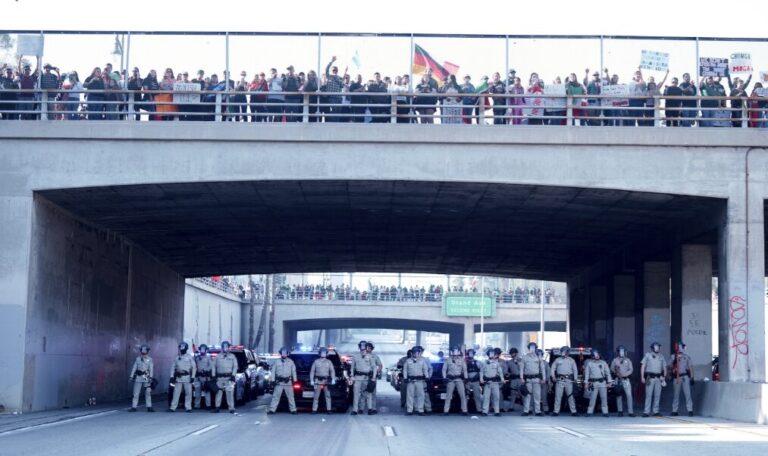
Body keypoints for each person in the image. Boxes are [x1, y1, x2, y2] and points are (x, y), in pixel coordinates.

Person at [268, 346, 298, 414]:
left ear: (287, 353)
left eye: (285, 353)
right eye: (283, 353)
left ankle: (293, 410)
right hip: (279, 382)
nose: (284, 354)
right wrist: (272, 380)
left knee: (290, 396)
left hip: (288, 382)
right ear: (281, 353)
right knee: (276, 396)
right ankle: (272, 410)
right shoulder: (276, 362)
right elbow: (273, 371)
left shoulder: (291, 362)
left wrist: (295, 380)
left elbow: (293, 371)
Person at [349, 340, 376, 415]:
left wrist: (373, 377)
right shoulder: (355, 356)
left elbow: (374, 367)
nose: (363, 347)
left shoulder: (370, 356)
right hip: (357, 378)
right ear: (359, 346)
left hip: (367, 378)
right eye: (362, 345)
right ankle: (355, 410)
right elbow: (352, 367)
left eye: (364, 346)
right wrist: (351, 376)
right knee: (356, 394)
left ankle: (370, 409)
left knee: (368, 394)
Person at [640, 341, 667, 417]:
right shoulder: (648, 355)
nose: (658, 348)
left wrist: (664, 377)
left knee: (657, 395)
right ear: (652, 347)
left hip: (658, 378)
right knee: (648, 394)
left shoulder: (661, 356)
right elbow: (643, 366)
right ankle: (646, 411)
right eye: (656, 346)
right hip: (649, 377)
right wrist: (642, 377)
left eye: (658, 346)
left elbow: (664, 367)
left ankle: (656, 411)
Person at [550, 346, 578, 416]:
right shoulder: (557, 360)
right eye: (563, 351)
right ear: (561, 352)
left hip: (569, 380)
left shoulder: (571, 360)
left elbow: (575, 370)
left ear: (568, 352)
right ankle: (556, 411)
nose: (565, 352)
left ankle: (573, 411)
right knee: (558, 396)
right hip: (560, 380)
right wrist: (553, 376)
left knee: (570, 396)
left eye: (566, 351)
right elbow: (552, 368)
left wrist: (575, 379)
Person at [169, 341, 196, 412]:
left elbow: (194, 367)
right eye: (180, 347)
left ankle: (188, 408)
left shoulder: (189, 357)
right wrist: (171, 377)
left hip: (187, 378)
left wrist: (193, 377)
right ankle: (173, 407)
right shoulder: (177, 357)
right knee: (176, 393)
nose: (181, 349)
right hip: (179, 378)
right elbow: (173, 368)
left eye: (183, 347)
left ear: (186, 348)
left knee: (188, 393)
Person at [584, 349, 612, 417]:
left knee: (604, 397)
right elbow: (587, 374)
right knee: (592, 398)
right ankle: (589, 412)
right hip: (593, 382)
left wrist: (609, 382)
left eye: (598, 355)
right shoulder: (590, 363)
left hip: (602, 382)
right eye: (595, 355)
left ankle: (605, 412)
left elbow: (607, 373)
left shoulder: (603, 363)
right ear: (592, 356)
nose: (597, 356)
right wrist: (586, 383)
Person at [403, 345, 430, 416]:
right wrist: (405, 378)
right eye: (414, 352)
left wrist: (427, 376)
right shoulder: (408, 361)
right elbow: (405, 370)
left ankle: (420, 410)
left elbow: (425, 369)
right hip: (410, 381)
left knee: (421, 396)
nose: (415, 354)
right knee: (410, 396)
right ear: (412, 353)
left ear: (419, 353)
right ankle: (409, 410)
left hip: (419, 381)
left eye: (417, 352)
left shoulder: (422, 361)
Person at [669, 342, 694, 417]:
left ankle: (690, 410)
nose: (684, 348)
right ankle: (674, 410)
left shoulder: (687, 357)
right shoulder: (673, 356)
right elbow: (669, 367)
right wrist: (671, 373)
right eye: (683, 347)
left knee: (688, 394)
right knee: (676, 395)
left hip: (685, 377)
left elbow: (691, 367)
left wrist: (692, 377)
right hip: (676, 378)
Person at [520, 342, 545, 416]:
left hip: (536, 379)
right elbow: (522, 368)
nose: (532, 349)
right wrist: (521, 378)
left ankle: (538, 411)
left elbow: (542, 368)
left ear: (535, 348)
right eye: (531, 347)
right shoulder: (525, 357)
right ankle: (526, 411)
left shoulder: (538, 357)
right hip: (528, 379)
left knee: (537, 396)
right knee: (527, 396)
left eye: (534, 347)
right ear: (528, 349)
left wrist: (543, 378)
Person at [442, 347, 468, 415]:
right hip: (451, 379)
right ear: (451, 352)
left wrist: (466, 378)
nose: (455, 353)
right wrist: (444, 377)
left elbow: (465, 370)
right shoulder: (448, 360)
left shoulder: (462, 360)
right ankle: (446, 410)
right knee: (448, 395)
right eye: (454, 351)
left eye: (456, 351)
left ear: (459, 352)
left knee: (462, 395)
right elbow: (444, 369)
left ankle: (464, 410)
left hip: (459, 379)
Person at [310, 347, 336, 414]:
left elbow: (332, 371)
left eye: (324, 353)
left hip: (326, 381)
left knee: (327, 396)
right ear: (320, 354)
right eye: (322, 353)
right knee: (316, 396)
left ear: (326, 354)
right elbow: (312, 371)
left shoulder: (329, 362)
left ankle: (329, 409)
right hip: (317, 380)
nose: (323, 354)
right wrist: (311, 380)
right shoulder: (316, 361)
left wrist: (333, 379)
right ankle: (314, 409)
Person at [128, 344, 154, 412]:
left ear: (147, 351)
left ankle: (149, 406)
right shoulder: (138, 359)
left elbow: (151, 369)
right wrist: (131, 376)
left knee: (148, 392)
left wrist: (151, 377)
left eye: (145, 351)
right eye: (143, 350)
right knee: (136, 393)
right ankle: (134, 407)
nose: (144, 352)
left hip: (146, 376)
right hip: (138, 377)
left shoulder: (150, 359)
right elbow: (134, 367)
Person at [610, 345, 634, 417]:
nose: (622, 353)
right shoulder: (615, 360)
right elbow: (611, 369)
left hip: (626, 380)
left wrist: (624, 375)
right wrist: (616, 373)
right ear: (618, 352)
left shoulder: (628, 360)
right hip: (618, 380)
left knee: (629, 395)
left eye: (623, 351)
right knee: (619, 395)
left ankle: (631, 412)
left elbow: (631, 369)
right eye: (621, 351)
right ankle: (620, 411)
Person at [480, 348, 504, 416]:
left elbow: (500, 372)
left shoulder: (497, 363)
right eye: (490, 354)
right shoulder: (484, 363)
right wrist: (481, 379)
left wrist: (502, 379)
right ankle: (485, 411)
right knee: (486, 397)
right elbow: (481, 371)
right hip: (487, 382)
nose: (492, 355)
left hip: (495, 382)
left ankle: (497, 411)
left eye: (493, 354)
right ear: (488, 355)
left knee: (496, 397)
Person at [193, 344, 214, 410]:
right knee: (197, 392)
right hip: (198, 377)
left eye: (203, 349)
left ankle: (208, 405)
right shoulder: (197, 357)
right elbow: (194, 365)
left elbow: (211, 366)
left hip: (206, 377)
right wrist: (195, 356)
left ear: (206, 350)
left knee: (207, 392)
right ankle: (197, 405)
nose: (202, 350)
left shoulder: (208, 357)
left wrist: (205, 370)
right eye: (201, 349)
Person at [366, 342, 383, 413]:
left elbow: (380, 365)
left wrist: (376, 373)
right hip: (363, 376)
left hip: (372, 377)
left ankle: (374, 408)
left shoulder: (375, 357)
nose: (368, 349)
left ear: (372, 349)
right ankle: (368, 408)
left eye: (369, 347)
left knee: (373, 393)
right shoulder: (362, 355)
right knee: (365, 394)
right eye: (367, 347)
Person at [505, 347, 522, 412]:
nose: (512, 354)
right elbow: (507, 371)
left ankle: (527, 408)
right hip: (514, 379)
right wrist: (508, 374)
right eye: (511, 353)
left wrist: (517, 362)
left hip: (520, 379)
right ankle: (511, 407)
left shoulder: (521, 360)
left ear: (516, 353)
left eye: (513, 353)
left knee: (522, 393)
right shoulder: (509, 362)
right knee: (513, 393)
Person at [536, 349, 551, 414]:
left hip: (544, 381)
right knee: (534, 396)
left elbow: (548, 373)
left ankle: (545, 409)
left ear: (542, 355)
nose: (539, 356)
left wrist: (548, 381)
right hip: (535, 381)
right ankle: (533, 409)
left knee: (544, 396)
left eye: (540, 354)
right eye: (538, 355)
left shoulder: (545, 363)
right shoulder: (533, 363)